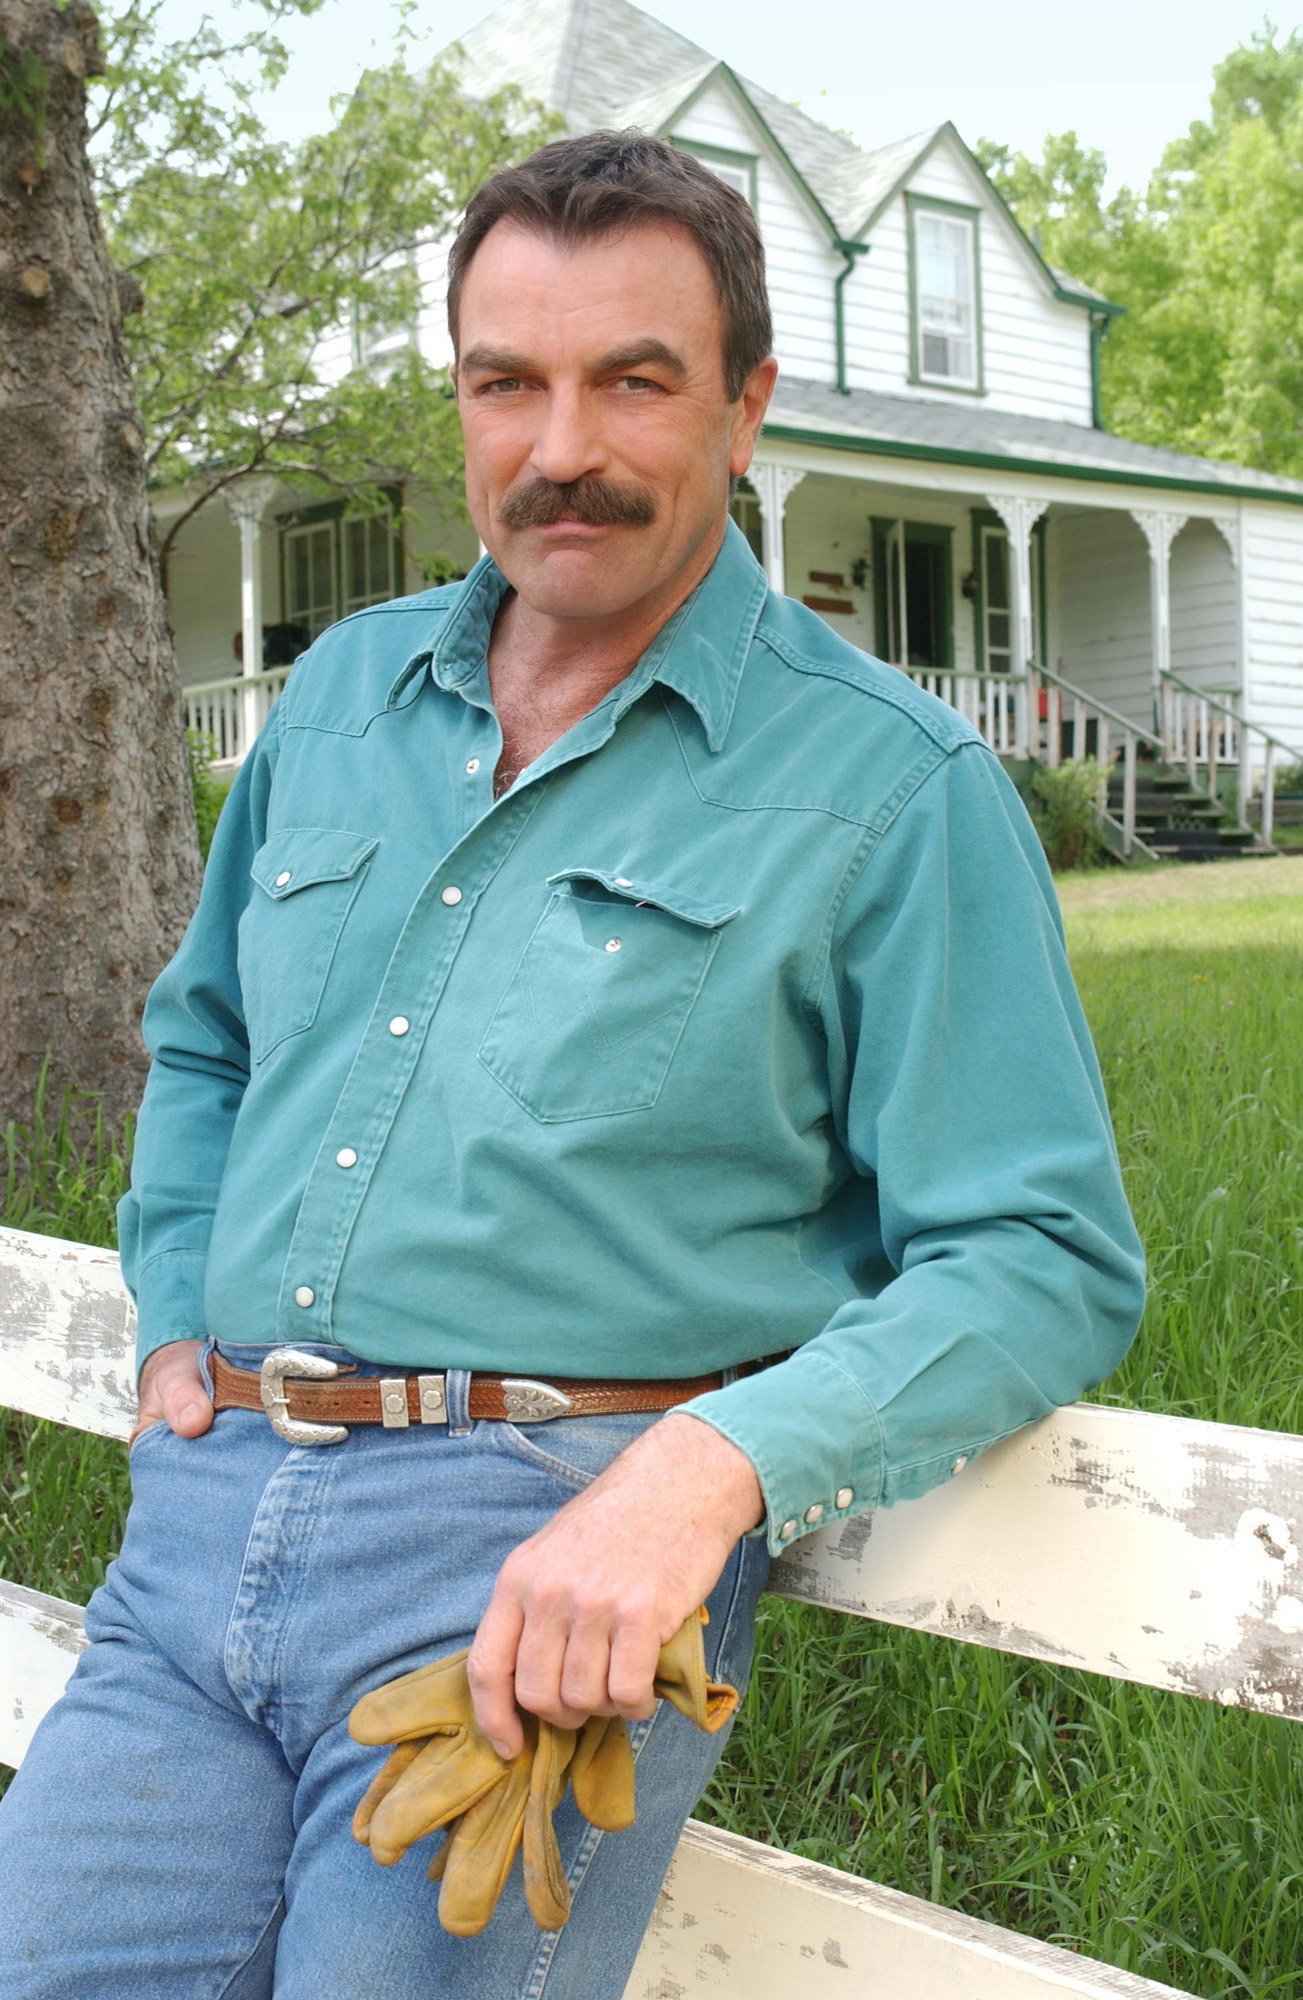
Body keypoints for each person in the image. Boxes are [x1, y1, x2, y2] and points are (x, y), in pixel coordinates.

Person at [0, 130, 1145, 1998]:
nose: (562, 451)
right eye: (506, 383)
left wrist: (708, 1473)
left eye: (635, 380)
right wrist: (165, 1328)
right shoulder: (341, 705)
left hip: (542, 1577)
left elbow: (1041, 1253)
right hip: (205, 1528)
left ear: (749, 403)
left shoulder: (889, 789)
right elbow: (201, 1043)